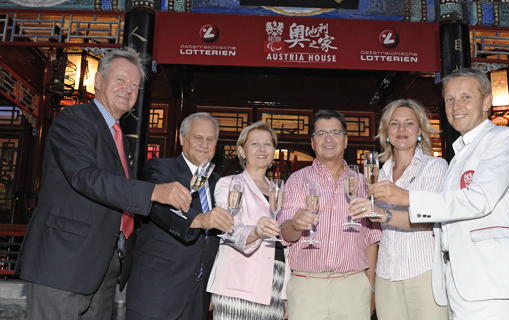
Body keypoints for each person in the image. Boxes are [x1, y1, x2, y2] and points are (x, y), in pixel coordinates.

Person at [15, 47, 194, 320]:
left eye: (135, 85)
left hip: (103, 267)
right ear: (98, 81)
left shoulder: (118, 135)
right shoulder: (75, 120)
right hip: (63, 263)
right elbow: (85, 177)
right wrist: (155, 192)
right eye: (121, 79)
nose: (128, 89)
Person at [351, 68, 509, 319]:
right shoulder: (459, 154)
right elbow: (444, 218)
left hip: (489, 278)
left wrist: (405, 197)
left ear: (487, 102)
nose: (456, 106)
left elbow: (478, 200)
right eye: (449, 99)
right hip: (453, 279)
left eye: (465, 97)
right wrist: (380, 215)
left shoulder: (503, 138)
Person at [125, 112, 234, 320]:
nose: (204, 144)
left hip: (198, 300)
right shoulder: (159, 168)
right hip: (156, 295)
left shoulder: (221, 185)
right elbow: (161, 210)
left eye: (210, 139)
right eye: (198, 137)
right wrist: (200, 220)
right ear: (182, 139)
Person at [278, 110, 382, 320]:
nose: (328, 139)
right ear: (313, 142)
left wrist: (371, 288)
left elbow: (371, 240)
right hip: (307, 285)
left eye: (335, 132)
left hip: (352, 286)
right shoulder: (298, 180)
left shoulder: (362, 182)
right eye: (321, 134)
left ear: (345, 140)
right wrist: (296, 224)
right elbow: (285, 233)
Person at [350, 99, 448, 320]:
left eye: (409, 123)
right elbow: (373, 235)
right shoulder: (379, 174)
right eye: (394, 124)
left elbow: (428, 220)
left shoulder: (435, 167)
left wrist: (382, 214)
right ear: (386, 132)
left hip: (424, 274)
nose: (402, 130)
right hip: (386, 276)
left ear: (420, 130)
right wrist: (372, 281)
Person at [207, 121, 290, 320]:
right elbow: (228, 229)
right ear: (242, 151)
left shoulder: (280, 191)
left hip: (275, 282)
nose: (262, 149)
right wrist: (256, 231)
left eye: (268, 144)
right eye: (255, 144)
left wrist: (287, 293)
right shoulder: (229, 184)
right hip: (239, 282)